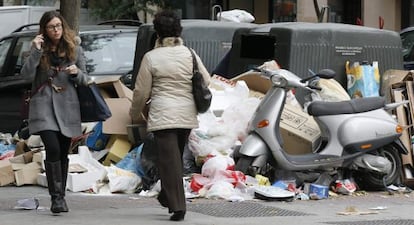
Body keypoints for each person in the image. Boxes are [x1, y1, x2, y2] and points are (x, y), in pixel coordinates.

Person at [129, 10, 210, 221]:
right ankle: (167, 196)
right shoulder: (189, 53)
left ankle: (178, 206)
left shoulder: (151, 58)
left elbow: (141, 92)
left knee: (169, 161)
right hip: (186, 115)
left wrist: (134, 113)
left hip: (163, 114)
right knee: (173, 160)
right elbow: (206, 80)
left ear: (157, 32)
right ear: (178, 30)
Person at [21, 10, 89, 214]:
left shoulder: (74, 49)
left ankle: (61, 195)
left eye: (58, 26)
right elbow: (25, 75)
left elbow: (86, 79)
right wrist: (35, 50)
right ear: (44, 30)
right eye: (51, 27)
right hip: (43, 106)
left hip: (67, 106)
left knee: (62, 152)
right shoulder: (38, 49)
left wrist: (77, 73)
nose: (56, 30)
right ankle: (56, 198)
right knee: (52, 148)